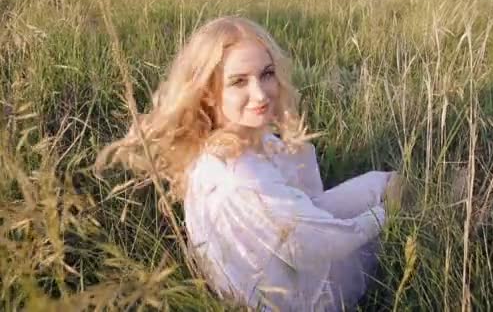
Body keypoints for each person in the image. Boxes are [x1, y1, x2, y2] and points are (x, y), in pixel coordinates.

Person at [96, 16, 399, 311]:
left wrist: (297, 144)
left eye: (266, 74)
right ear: (209, 94)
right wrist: (384, 215)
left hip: (270, 273)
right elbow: (309, 246)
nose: (260, 93)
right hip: (291, 299)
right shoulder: (240, 174)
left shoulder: (224, 143)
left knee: (380, 182)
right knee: (389, 197)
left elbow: (308, 198)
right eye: (239, 81)